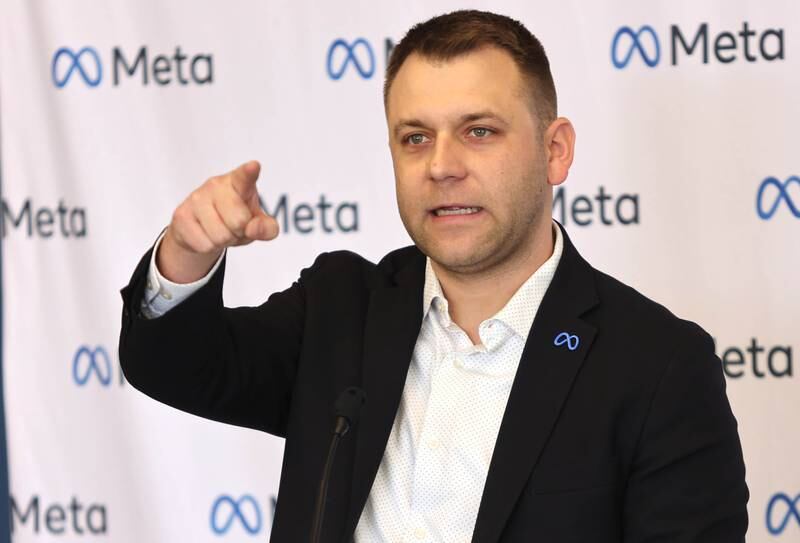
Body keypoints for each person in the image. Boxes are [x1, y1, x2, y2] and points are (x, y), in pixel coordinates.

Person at [119, 9, 748, 542]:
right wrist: (186, 253)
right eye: (415, 138)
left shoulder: (658, 365)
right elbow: (175, 365)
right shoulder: (342, 311)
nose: (442, 166)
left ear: (554, 151)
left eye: (479, 131)